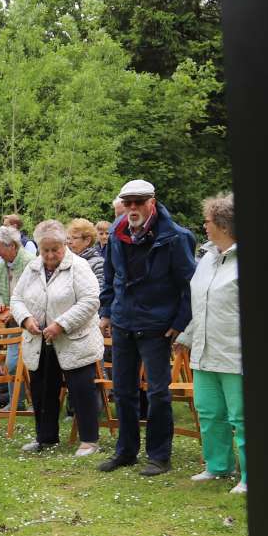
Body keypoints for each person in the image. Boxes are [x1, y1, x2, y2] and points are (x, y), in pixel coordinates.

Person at [99, 178, 198, 476]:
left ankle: (159, 456)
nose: (132, 208)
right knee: (123, 391)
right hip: (123, 322)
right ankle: (126, 452)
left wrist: (179, 323)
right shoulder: (117, 234)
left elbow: (189, 285)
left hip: (157, 325)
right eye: (127, 203)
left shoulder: (176, 237)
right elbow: (110, 278)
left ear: (152, 202)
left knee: (157, 393)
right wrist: (106, 311)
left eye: (138, 202)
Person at [11, 220, 105, 457]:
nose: (51, 255)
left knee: (81, 390)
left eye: (56, 249)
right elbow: (17, 299)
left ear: (65, 244)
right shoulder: (32, 268)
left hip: (75, 340)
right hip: (40, 340)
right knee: (42, 390)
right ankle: (45, 437)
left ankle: (89, 440)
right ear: (39, 248)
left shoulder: (79, 267)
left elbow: (91, 300)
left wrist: (61, 324)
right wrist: (25, 319)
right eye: (46, 250)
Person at [180, 193, 245, 493]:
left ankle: (250, 476)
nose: (203, 226)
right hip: (204, 351)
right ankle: (218, 466)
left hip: (234, 353)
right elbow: (202, 304)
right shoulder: (207, 257)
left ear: (223, 223)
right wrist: (187, 336)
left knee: (242, 417)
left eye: (207, 221)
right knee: (208, 411)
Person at [0, 225, 35, 396]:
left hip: (30, 320)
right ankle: (17, 402)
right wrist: (1, 305)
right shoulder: (1, 266)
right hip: (12, 322)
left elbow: (33, 296)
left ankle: (26, 401)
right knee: (12, 363)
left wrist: (14, 311)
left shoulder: (31, 262)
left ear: (12, 246)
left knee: (19, 362)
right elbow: (3, 294)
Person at [67, 219, 107, 287]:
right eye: (68, 238)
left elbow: (100, 291)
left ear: (87, 241)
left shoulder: (98, 264)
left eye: (74, 238)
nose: (69, 242)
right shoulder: (67, 261)